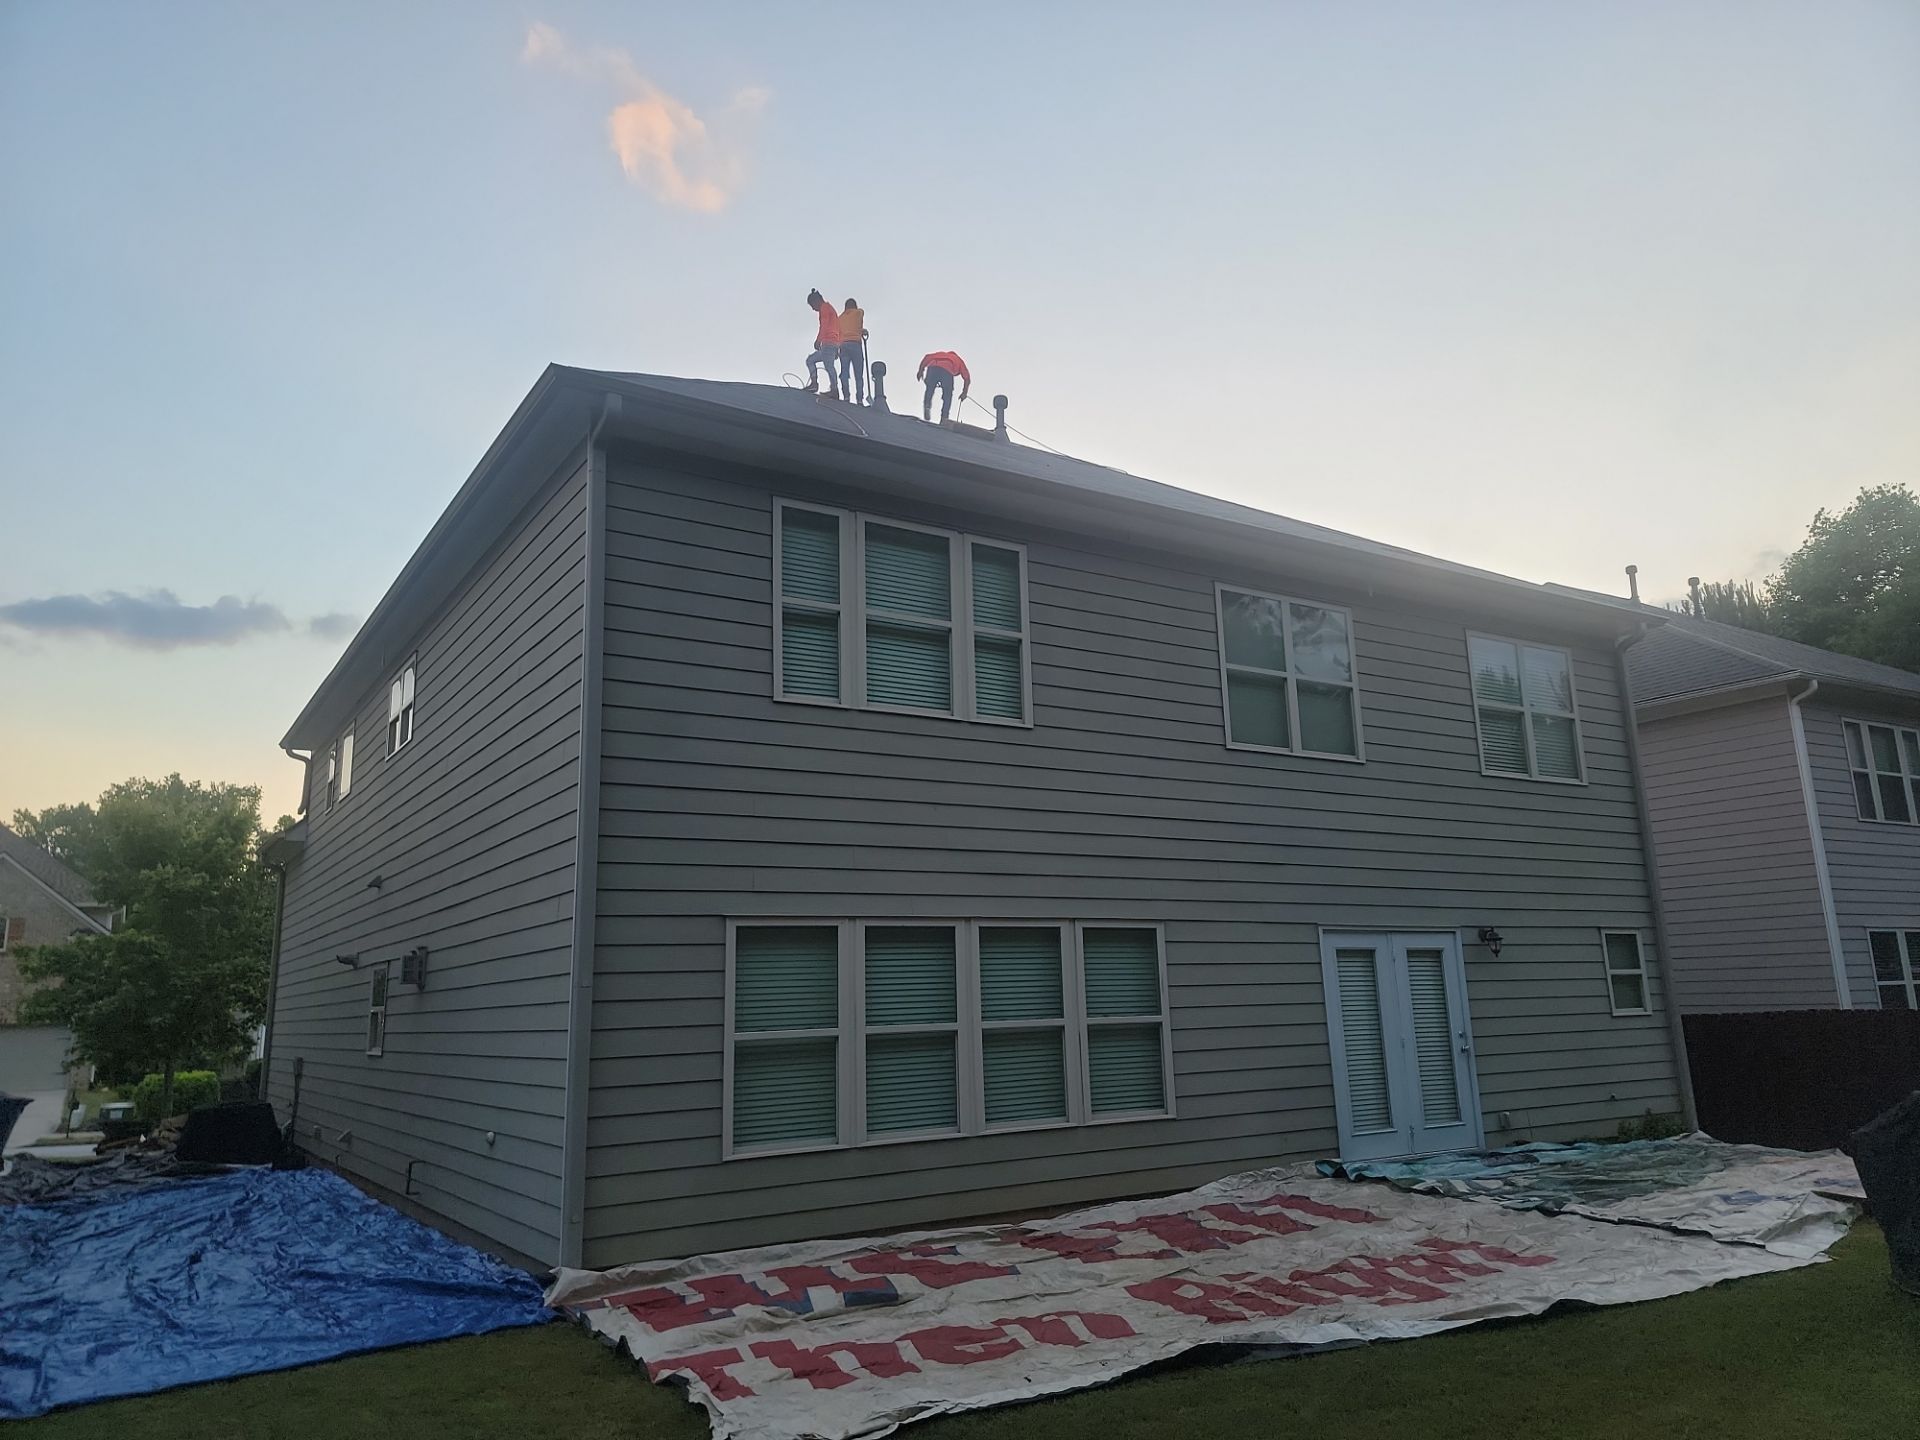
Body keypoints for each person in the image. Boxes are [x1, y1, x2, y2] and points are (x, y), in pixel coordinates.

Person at [804, 289, 842, 397]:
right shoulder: (830, 308)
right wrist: (838, 346)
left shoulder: (824, 308)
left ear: (816, 301)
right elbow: (838, 329)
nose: (813, 308)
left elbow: (824, 326)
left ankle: (834, 390)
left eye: (812, 305)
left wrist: (818, 340)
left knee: (829, 366)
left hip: (828, 343)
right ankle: (814, 385)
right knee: (811, 360)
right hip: (833, 344)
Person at [917, 349, 970, 423]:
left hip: (932, 368)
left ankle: (927, 405)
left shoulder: (940, 354)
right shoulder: (958, 360)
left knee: (930, 388)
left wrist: (920, 371)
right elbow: (967, 378)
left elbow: (927, 357)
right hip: (947, 371)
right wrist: (964, 393)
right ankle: (944, 417)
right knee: (948, 394)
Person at [837, 297, 868, 404]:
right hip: (855, 344)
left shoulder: (840, 318)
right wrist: (862, 331)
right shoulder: (858, 312)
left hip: (843, 345)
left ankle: (846, 396)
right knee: (858, 374)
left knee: (844, 372)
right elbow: (858, 323)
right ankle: (859, 399)